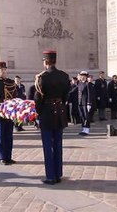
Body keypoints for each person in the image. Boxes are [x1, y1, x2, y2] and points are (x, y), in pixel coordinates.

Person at [34, 50, 70, 185]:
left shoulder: (41, 78)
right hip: (60, 112)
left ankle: (50, 176)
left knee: (47, 146)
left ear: (46, 62)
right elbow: (66, 96)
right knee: (58, 144)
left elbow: (38, 99)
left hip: (47, 114)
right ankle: (58, 173)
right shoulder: (64, 76)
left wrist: (38, 113)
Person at [0, 61, 18, 165]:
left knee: (9, 136)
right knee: (0, 136)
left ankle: (8, 156)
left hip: (9, 112)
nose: (3, 71)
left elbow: (14, 94)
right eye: (1, 70)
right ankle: (2, 157)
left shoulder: (10, 82)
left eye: (5, 69)